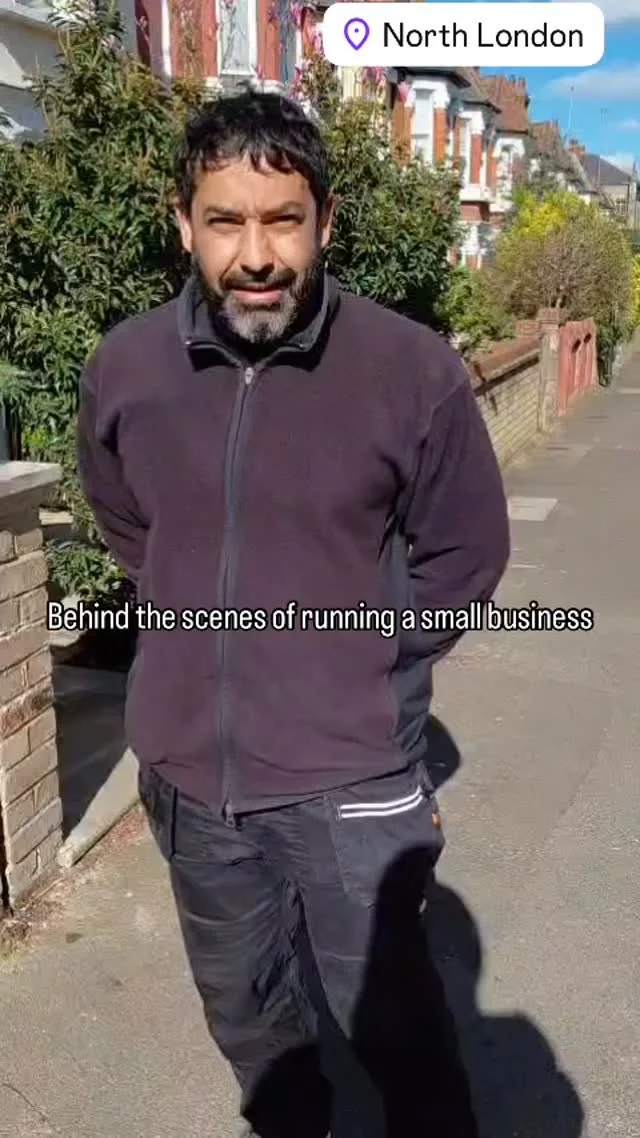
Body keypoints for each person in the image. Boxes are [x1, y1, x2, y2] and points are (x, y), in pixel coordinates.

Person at [77, 89, 510, 1138]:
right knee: (255, 1030)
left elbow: (465, 553)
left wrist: (363, 664)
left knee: (397, 1032)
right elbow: (129, 523)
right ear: (185, 225)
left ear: (325, 221)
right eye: (225, 221)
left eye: (283, 220)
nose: (257, 255)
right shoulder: (127, 367)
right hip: (191, 781)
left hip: (350, 783)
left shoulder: (409, 370)